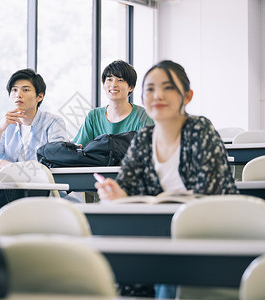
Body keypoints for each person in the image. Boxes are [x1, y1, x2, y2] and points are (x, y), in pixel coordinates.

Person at [94, 60, 238, 298]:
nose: (157, 95)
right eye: (150, 89)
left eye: (168, 87)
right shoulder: (143, 138)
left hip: (205, 238)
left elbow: (209, 197)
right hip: (154, 240)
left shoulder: (200, 129)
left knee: (168, 278)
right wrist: (116, 194)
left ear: (187, 96)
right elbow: (127, 187)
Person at [0, 68, 67, 168]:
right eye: (14, 90)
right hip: (10, 182)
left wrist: (9, 165)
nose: (18, 95)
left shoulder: (53, 122)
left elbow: (57, 160)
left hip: (44, 182)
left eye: (25, 90)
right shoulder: (6, 125)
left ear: (39, 96)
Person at [73, 60, 153, 147]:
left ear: (131, 87)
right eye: (109, 79)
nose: (113, 84)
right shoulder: (93, 116)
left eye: (120, 80)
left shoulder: (142, 116)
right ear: (103, 84)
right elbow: (79, 149)